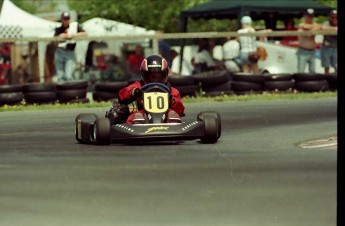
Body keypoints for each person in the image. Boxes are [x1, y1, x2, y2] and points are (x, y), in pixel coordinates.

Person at [106, 55, 185, 125]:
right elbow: (122, 94)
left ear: (164, 75)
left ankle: (173, 124)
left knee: (172, 113)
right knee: (137, 115)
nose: (156, 80)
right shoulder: (138, 86)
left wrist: (173, 101)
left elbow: (180, 110)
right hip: (142, 111)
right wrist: (133, 92)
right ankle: (137, 125)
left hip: (164, 114)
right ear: (146, 75)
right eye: (153, 77)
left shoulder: (171, 91)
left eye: (159, 77)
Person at [53, 12, 87, 82]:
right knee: (60, 75)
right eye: (64, 19)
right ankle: (61, 91)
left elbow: (85, 34)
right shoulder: (58, 29)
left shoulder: (74, 27)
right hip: (60, 51)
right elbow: (55, 39)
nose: (66, 20)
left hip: (70, 52)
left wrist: (73, 35)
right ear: (62, 19)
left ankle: (70, 91)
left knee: (69, 75)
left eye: (67, 18)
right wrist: (63, 36)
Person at [296, 8, 321, 73]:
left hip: (312, 51)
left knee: (312, 71)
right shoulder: (301, 25)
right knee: (301, 71)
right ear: (304, 16)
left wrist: (307, 28)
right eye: (308, 15)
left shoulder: (315, 25)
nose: (310, 17)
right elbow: (308, 34)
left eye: (311, 16)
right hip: (302, 51)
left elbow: (317, 28)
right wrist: (309, 29)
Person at [320, 10, 337, 75]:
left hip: (335, 48)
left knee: (336, 66)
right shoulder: (326, 23)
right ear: (329, 17)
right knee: (326, 66)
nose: (335, 19)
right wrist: (335, 29)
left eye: (336, 17)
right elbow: (322, 27)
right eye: (333, 17)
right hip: (326, 48)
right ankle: (327, 81)